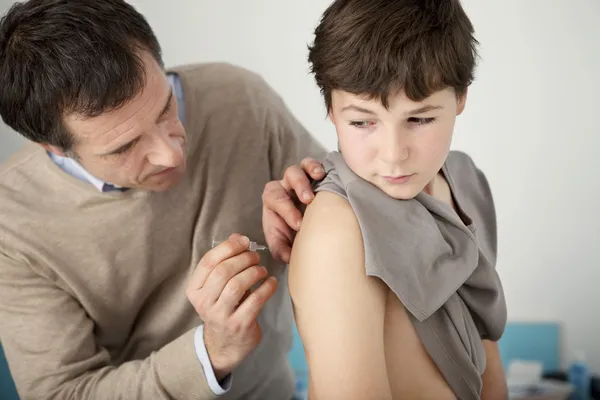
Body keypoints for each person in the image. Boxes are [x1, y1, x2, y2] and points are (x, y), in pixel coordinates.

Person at [0, 0, 326, 399]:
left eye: (166, 107)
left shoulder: (241, 98)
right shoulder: (11, 227)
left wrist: (312, 217)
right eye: (125, 147)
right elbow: (64, 393)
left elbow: (350, 208)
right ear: (54, 147)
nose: (172, 155)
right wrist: (212, 352)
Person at [287, 1, 509, 399]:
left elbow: (485, 351)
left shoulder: (464, 181)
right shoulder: (339, 229)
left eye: (420, 119)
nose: (393, 154)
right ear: (330, 110)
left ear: (460, 98)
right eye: (361, 122)